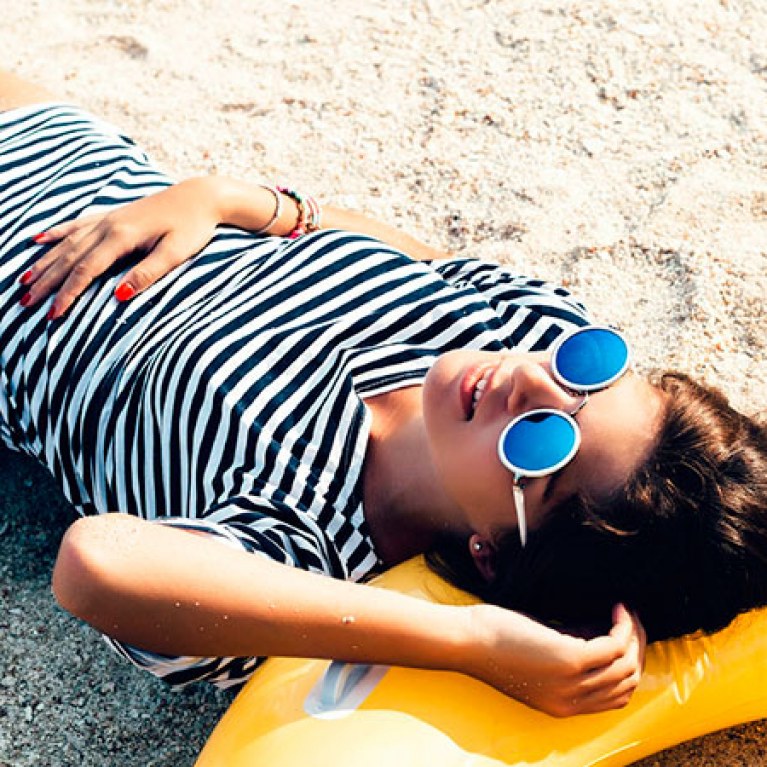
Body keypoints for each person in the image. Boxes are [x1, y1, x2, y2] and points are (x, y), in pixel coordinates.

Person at [1, 71, 765, 720]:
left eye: (542, 439)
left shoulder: (309, 548)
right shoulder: (525, 331)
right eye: (587, 373)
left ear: (491, 555)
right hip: (82, 159)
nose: (532, 377)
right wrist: (234, 201)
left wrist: (471, 641)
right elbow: (417, 256)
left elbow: (96, 564)